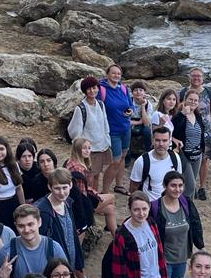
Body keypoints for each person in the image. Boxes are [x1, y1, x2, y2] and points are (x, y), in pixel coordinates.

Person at [36, 168, 90, 278]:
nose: (61, 192)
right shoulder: (43, 211)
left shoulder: (67, 202)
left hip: (70, 246)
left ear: (71, 185)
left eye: (64, 187)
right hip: (55, 255)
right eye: (57, 188)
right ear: (49, 187)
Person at [109, 192, 168, 278]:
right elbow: (120, 271)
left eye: (144, 209)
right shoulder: (122, 236)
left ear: (149, 208)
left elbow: (159, 254)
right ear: (129, 209)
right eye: (136, 210)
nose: (141, 213)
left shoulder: (151, 223)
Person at [149, 171, 204, 278]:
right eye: (173, 185)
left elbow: (195, 224)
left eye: (180, 186)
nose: (177, 189)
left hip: (182, 259)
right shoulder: (155, 207)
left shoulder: (186, 202)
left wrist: (201, 247)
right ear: (165, 186)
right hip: (163, 261)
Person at [0, 205, 67, 278]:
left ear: (39, 222)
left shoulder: (54, 248)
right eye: (21, 226)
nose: (26, 230)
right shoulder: (7, 251)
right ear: (15, 225)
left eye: (30, 224)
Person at [66, 75, 113, 191]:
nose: (92, 91)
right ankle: (88, 197)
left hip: (101, 146)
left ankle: (94, 197)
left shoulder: (101, 104)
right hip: (89, 150)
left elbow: (105, 124)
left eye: (94, 87)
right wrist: (81, 149)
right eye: (89, 89)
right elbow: (75, 131)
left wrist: (107, 140)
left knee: (97, 175)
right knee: (89, 177)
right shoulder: (81, 108)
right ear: (85, 91)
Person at [180, 67, 211, 201]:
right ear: (189, 77)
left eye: (199, 76)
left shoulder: (209, 93)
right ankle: (190, 185)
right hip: (188, 130)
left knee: (204, 159)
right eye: (194, 76)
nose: (196, 78)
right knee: (189, 157)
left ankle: (201, 187)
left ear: (203, 78)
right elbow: (178, 109)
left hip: (206, 132)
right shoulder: (183, 92)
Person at [65, 136, 116, 232]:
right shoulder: (78, 167)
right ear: (77, 149)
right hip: (81, 203)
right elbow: (81, 192)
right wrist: (95, 196)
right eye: (84, 148)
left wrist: (95, 193)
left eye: (89, 148)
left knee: (110, 208)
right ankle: (92, 220)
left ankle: (111, 230)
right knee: (112, 197)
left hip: (79, 198)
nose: (87, 151)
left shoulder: (70, 161)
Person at [98, 64, 134, 195]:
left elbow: (130, 105)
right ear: (107, 74)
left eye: (118, 73)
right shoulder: (101, 89)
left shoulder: (123, 88)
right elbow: (96, 107)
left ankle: (119, 185)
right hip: (112, 131)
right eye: (113, 73)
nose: (116, 75)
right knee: (115, 161)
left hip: (125, 128)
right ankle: (105, 191)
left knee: (123, 157)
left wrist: (130, 111)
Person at [129, 127, 182, 203]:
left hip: (170, 204)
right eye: (157, 140)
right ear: (152, 140)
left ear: (170, 141)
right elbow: (134, 187)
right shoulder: (141, 161)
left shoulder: (175, 158)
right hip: (150, 205)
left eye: (164, 140)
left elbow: (179, 182)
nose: (161, 144)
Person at [170, 91, 206, 199]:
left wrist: (202, 150)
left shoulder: (197, 115)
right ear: (185, 100)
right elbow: (171, 129)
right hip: (183, 154)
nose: (193, 102)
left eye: (196, 100)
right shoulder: (178, 115)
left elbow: (201, 134)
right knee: (190, 186)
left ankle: (189, 207)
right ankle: (185, 207)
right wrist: (182, 114)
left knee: (192, 186)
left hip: (197, 155)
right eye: (190, 99)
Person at [128, 80, 154, 160]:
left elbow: (146, 123)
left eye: (141, 90)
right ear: (132, 92)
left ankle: (148, 154)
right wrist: (138, 122)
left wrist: (143, 107)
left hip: (142, 124)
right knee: (126, 130)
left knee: (147, 131)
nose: (138, 92)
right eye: (135, 90)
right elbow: (124, 120)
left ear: (144, 92)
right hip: (131, 123)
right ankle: (127, 157)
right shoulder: (128, 102)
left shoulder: (148, 105)